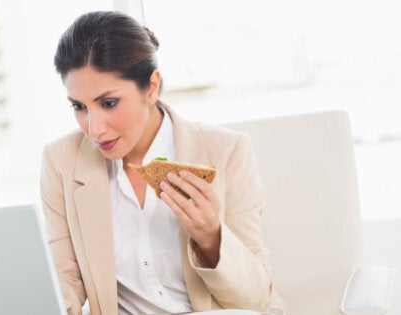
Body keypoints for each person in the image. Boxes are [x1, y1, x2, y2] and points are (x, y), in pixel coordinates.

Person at [40, 11, 286, 315]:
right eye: (79, 107)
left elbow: (257, 298)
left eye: (109, 103)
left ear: (152, 87)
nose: (94, 128)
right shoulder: (60, 161)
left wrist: (210, 236)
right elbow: (63, 280)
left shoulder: (226, 151)